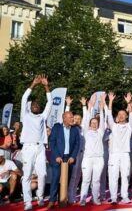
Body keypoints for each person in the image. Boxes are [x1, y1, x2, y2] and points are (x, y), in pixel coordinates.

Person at [20, 75, 52, 210]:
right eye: (33, 105)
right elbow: (23, 99)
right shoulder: (25, 115)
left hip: (40, 148)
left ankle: (40, 197)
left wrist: (46, 86)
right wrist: (33, 84)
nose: (35, 106)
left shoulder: (42, 117)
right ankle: (27, 202)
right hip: (28, 147)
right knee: (27, 175)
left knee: (43, 174)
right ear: (29, 107)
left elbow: (49, 103)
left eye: (37, 105)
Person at [105, 92, 132, 204]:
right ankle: (113, 197)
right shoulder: (114, 126)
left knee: (125, 175)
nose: (121, 116)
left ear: (126, 116)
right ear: (117, 116)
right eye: (119, 114)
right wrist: (111, 101)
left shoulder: (129, 126)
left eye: (123, 114)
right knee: (113, 176)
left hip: (125, 154)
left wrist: (129, 103)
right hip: (114, 154)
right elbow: (108, 115)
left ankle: (125, 196)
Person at [47, 111, 80, 209]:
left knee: (67, 180)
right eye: (70, 117)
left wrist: (73, 156)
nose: (72, 119)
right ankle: (52, 201)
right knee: (55, 179)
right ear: (64, 118)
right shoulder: (56, 127)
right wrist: (56, 155)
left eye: (72, 117)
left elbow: (77, 144)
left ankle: (62, 199)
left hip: (69, 159)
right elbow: (52, 142)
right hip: (57, 158)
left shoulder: (75, 130)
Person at [79, 94, 106, 206]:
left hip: (99, 159)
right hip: (87, 159)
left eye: (96, 123)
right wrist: (89, 106)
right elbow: (85, 120)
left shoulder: (100, 132)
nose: (94, 124)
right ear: (90, 124)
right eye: (92, 123)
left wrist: (101, 108)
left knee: (96, 180)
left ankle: (95, 198)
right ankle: (83, 199)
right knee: (86, 180)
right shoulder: (86, 131)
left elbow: (103, 121)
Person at [67, 97, 86, 204]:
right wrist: (68, 105)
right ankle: (70, 196)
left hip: (82, 155)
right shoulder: (70, 128)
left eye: (79, 119)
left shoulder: (83, 128)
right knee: (73, 176)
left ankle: (74, 195)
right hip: (74, 155)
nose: (77, 120)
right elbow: (65, 116)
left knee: (78, 176)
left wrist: (85, 106)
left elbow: (87, 117)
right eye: (75, 118)